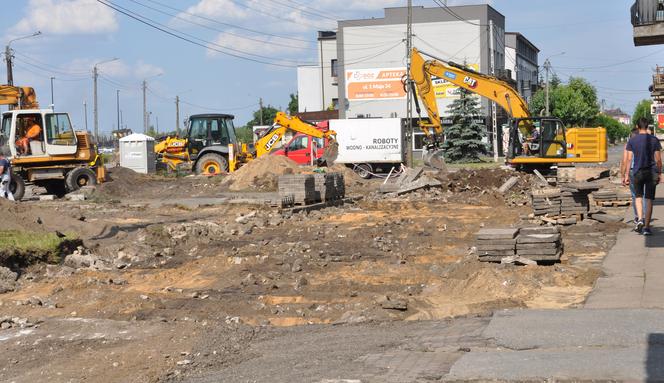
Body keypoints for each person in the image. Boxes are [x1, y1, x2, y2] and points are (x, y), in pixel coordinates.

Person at [623, 117, 663, 235]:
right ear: (648, 126)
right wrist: (660, 173)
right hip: (651, 172)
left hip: (637, 172)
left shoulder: (632, 141)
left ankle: (639, 219)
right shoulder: (654, 140)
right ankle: (646, 227)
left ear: (637, 126)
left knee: (638, 197)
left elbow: (629, 159)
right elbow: (658, 159)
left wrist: (626, 175)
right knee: (649, 199)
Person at [622, 127, 645, 223]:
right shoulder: (645, 144)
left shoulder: (629, 144)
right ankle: (643, 217)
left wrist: (623, 175)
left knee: (635, 195)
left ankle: (638, 217)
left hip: (633, 171)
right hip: (645, 170)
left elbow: (626, 160)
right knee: (643, 195)